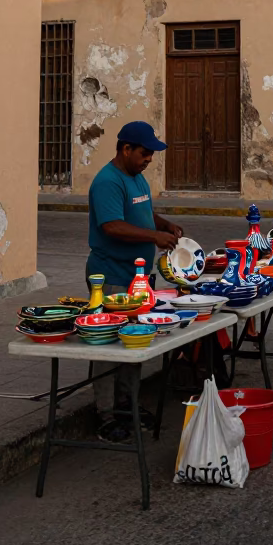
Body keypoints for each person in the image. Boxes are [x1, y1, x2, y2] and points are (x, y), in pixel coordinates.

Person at [87, 121, 183, 442]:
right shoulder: (107, 182)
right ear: (125, 149)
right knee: (107, 344)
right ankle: (104, 413)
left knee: (133, 340)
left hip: (138, 278)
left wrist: (165, 224)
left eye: (151, 154)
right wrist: (154, 236)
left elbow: (143, 213)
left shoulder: (137, 179)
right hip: (111, 276)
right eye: (144, 153)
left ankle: (127, 402)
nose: (149, 159)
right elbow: (112, 226)